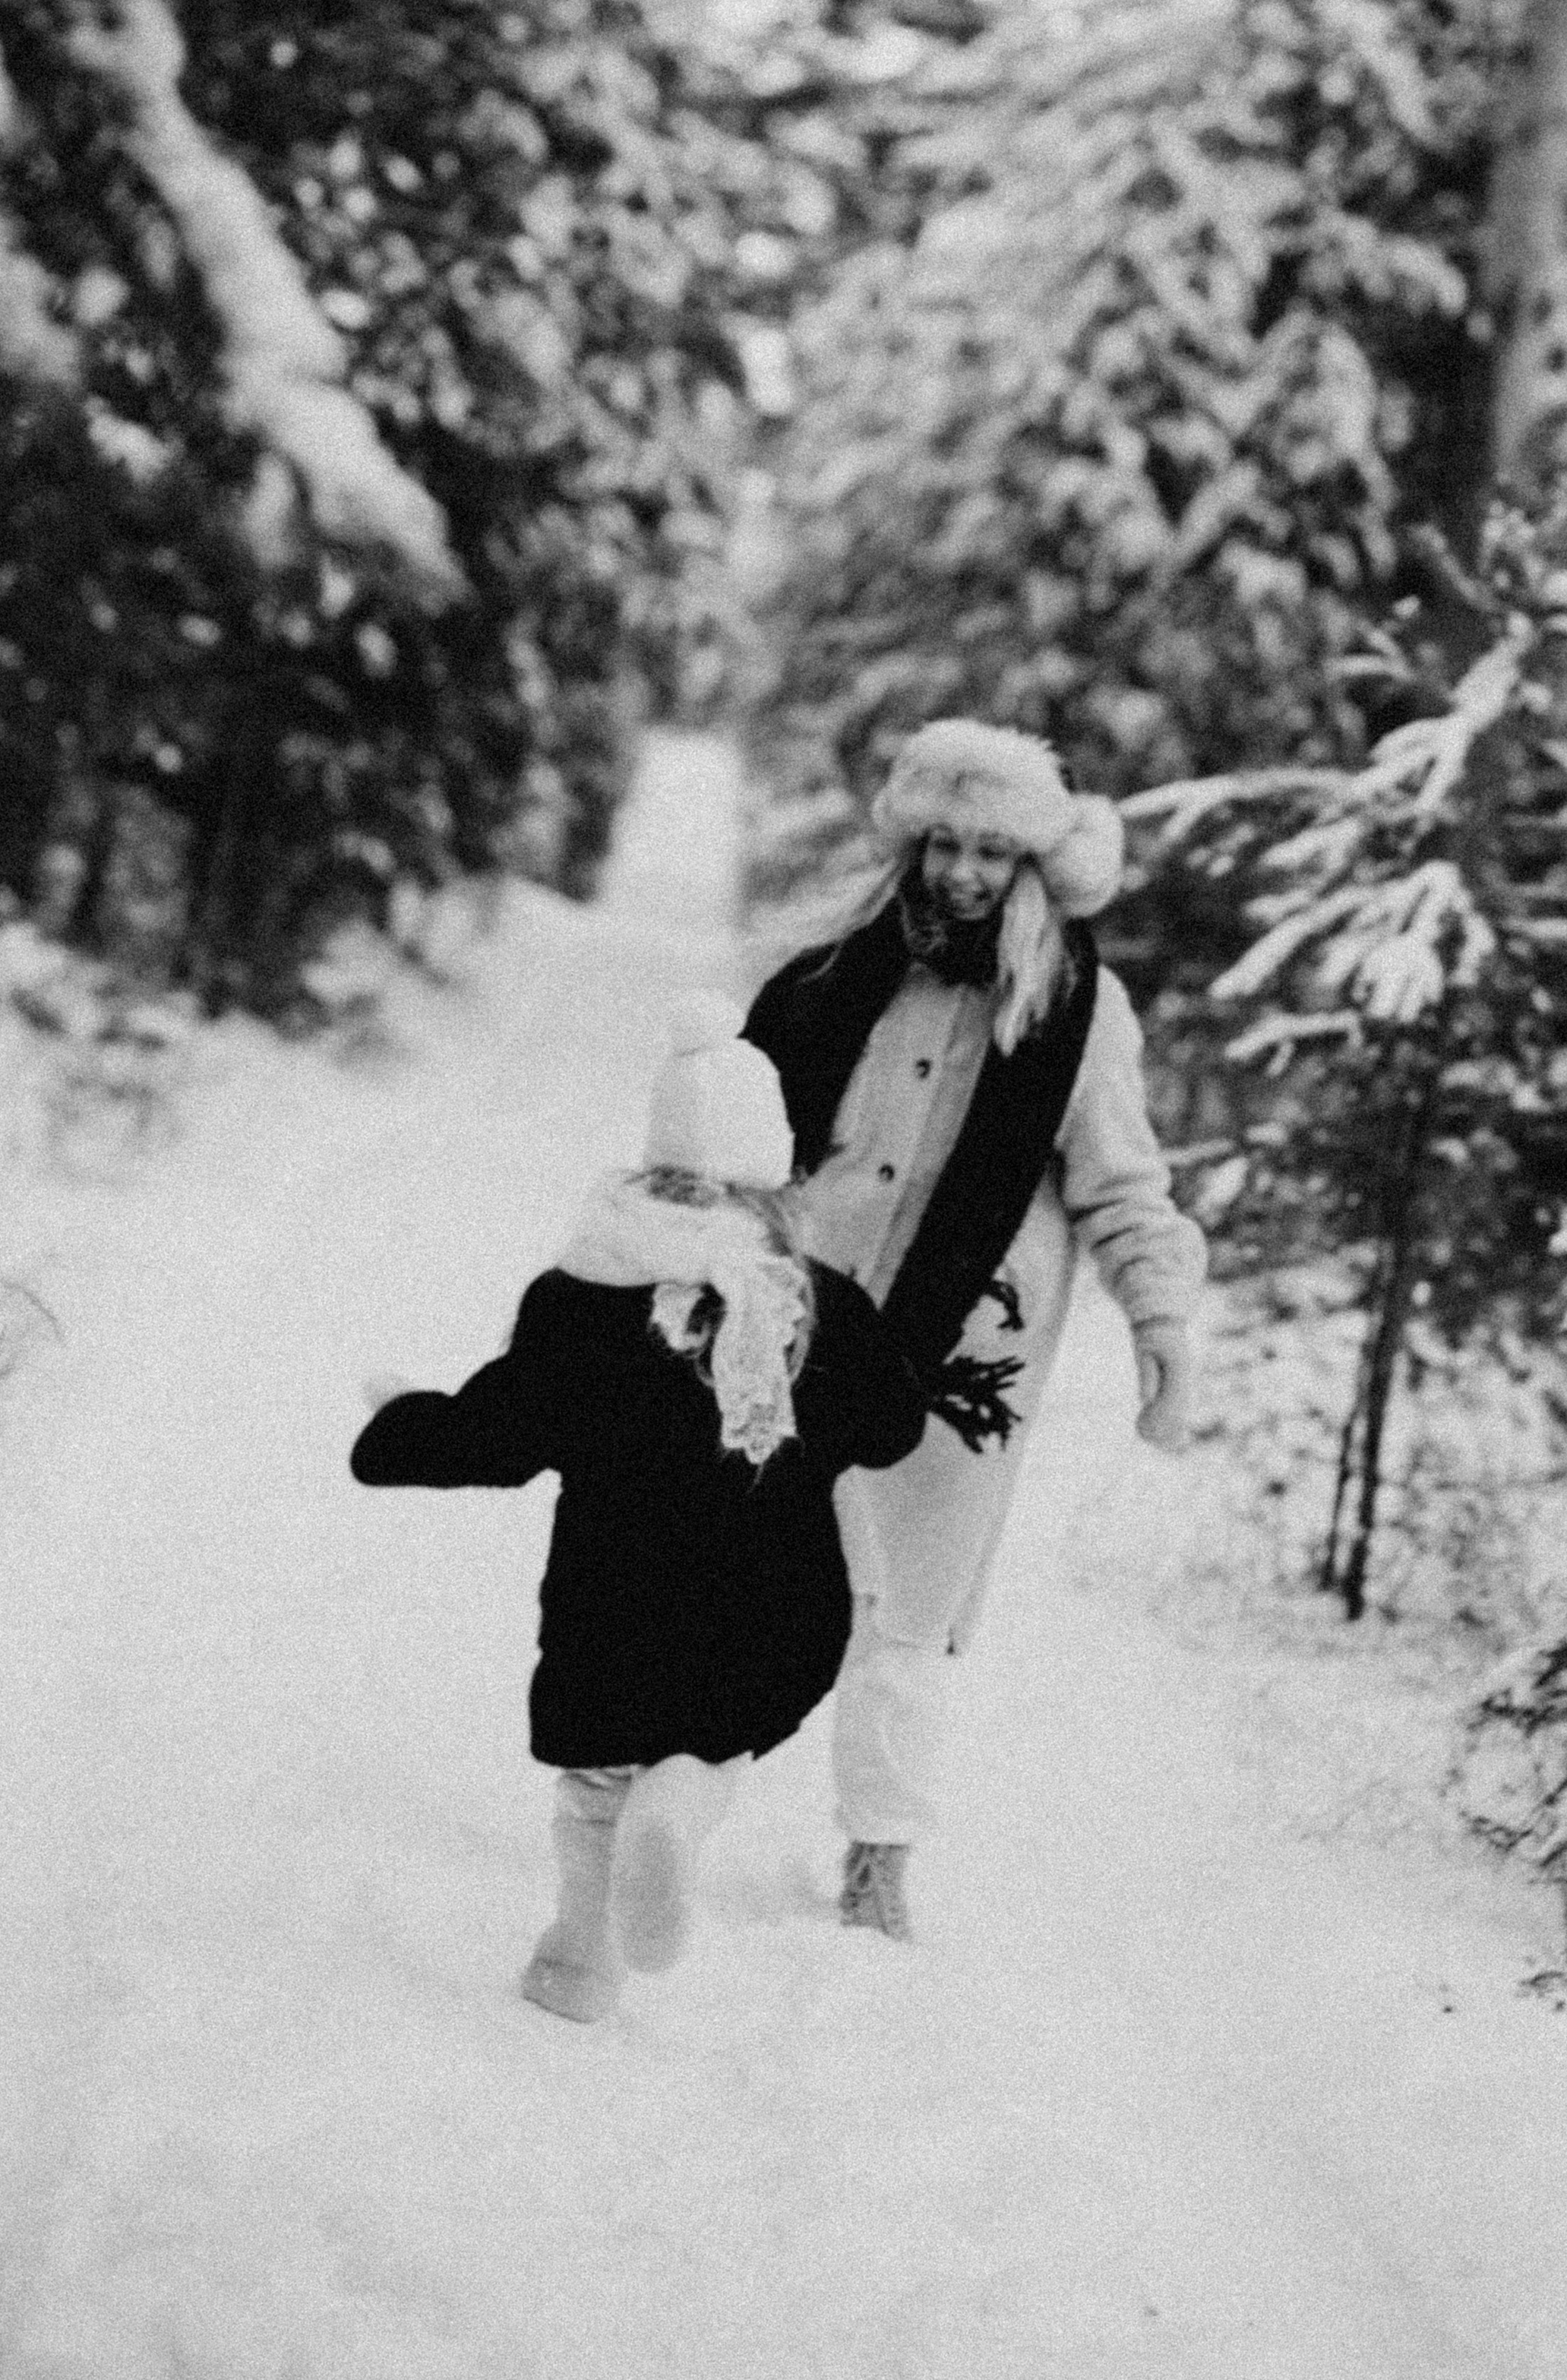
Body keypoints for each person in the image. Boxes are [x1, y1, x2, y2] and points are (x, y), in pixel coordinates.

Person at [350, 994, 927, 2024]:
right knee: (715, 1740)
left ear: (653, 1166)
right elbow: (892, 1431)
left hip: (616, 1602)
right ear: (774, 1177)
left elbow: (499, 1436)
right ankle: (687, 1802)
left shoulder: (584, 1300)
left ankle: (581, 1959)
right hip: (775, 1608)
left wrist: (401, 1426)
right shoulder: (820, 1305)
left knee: (593, 1788)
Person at [744, 718, 1205, 1939]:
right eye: (942, 843)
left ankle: (876, 1859)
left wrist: (1162, 1327)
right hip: (803, 1310)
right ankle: (655, 1782)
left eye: (990, 852)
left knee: (907, 1604)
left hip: (961, 1352)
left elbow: (1123, 1187)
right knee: (738, 1557)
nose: (960, 873)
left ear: (1034, 867)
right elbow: (732, 1137)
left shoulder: (1080, 1013)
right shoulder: (830, 972)